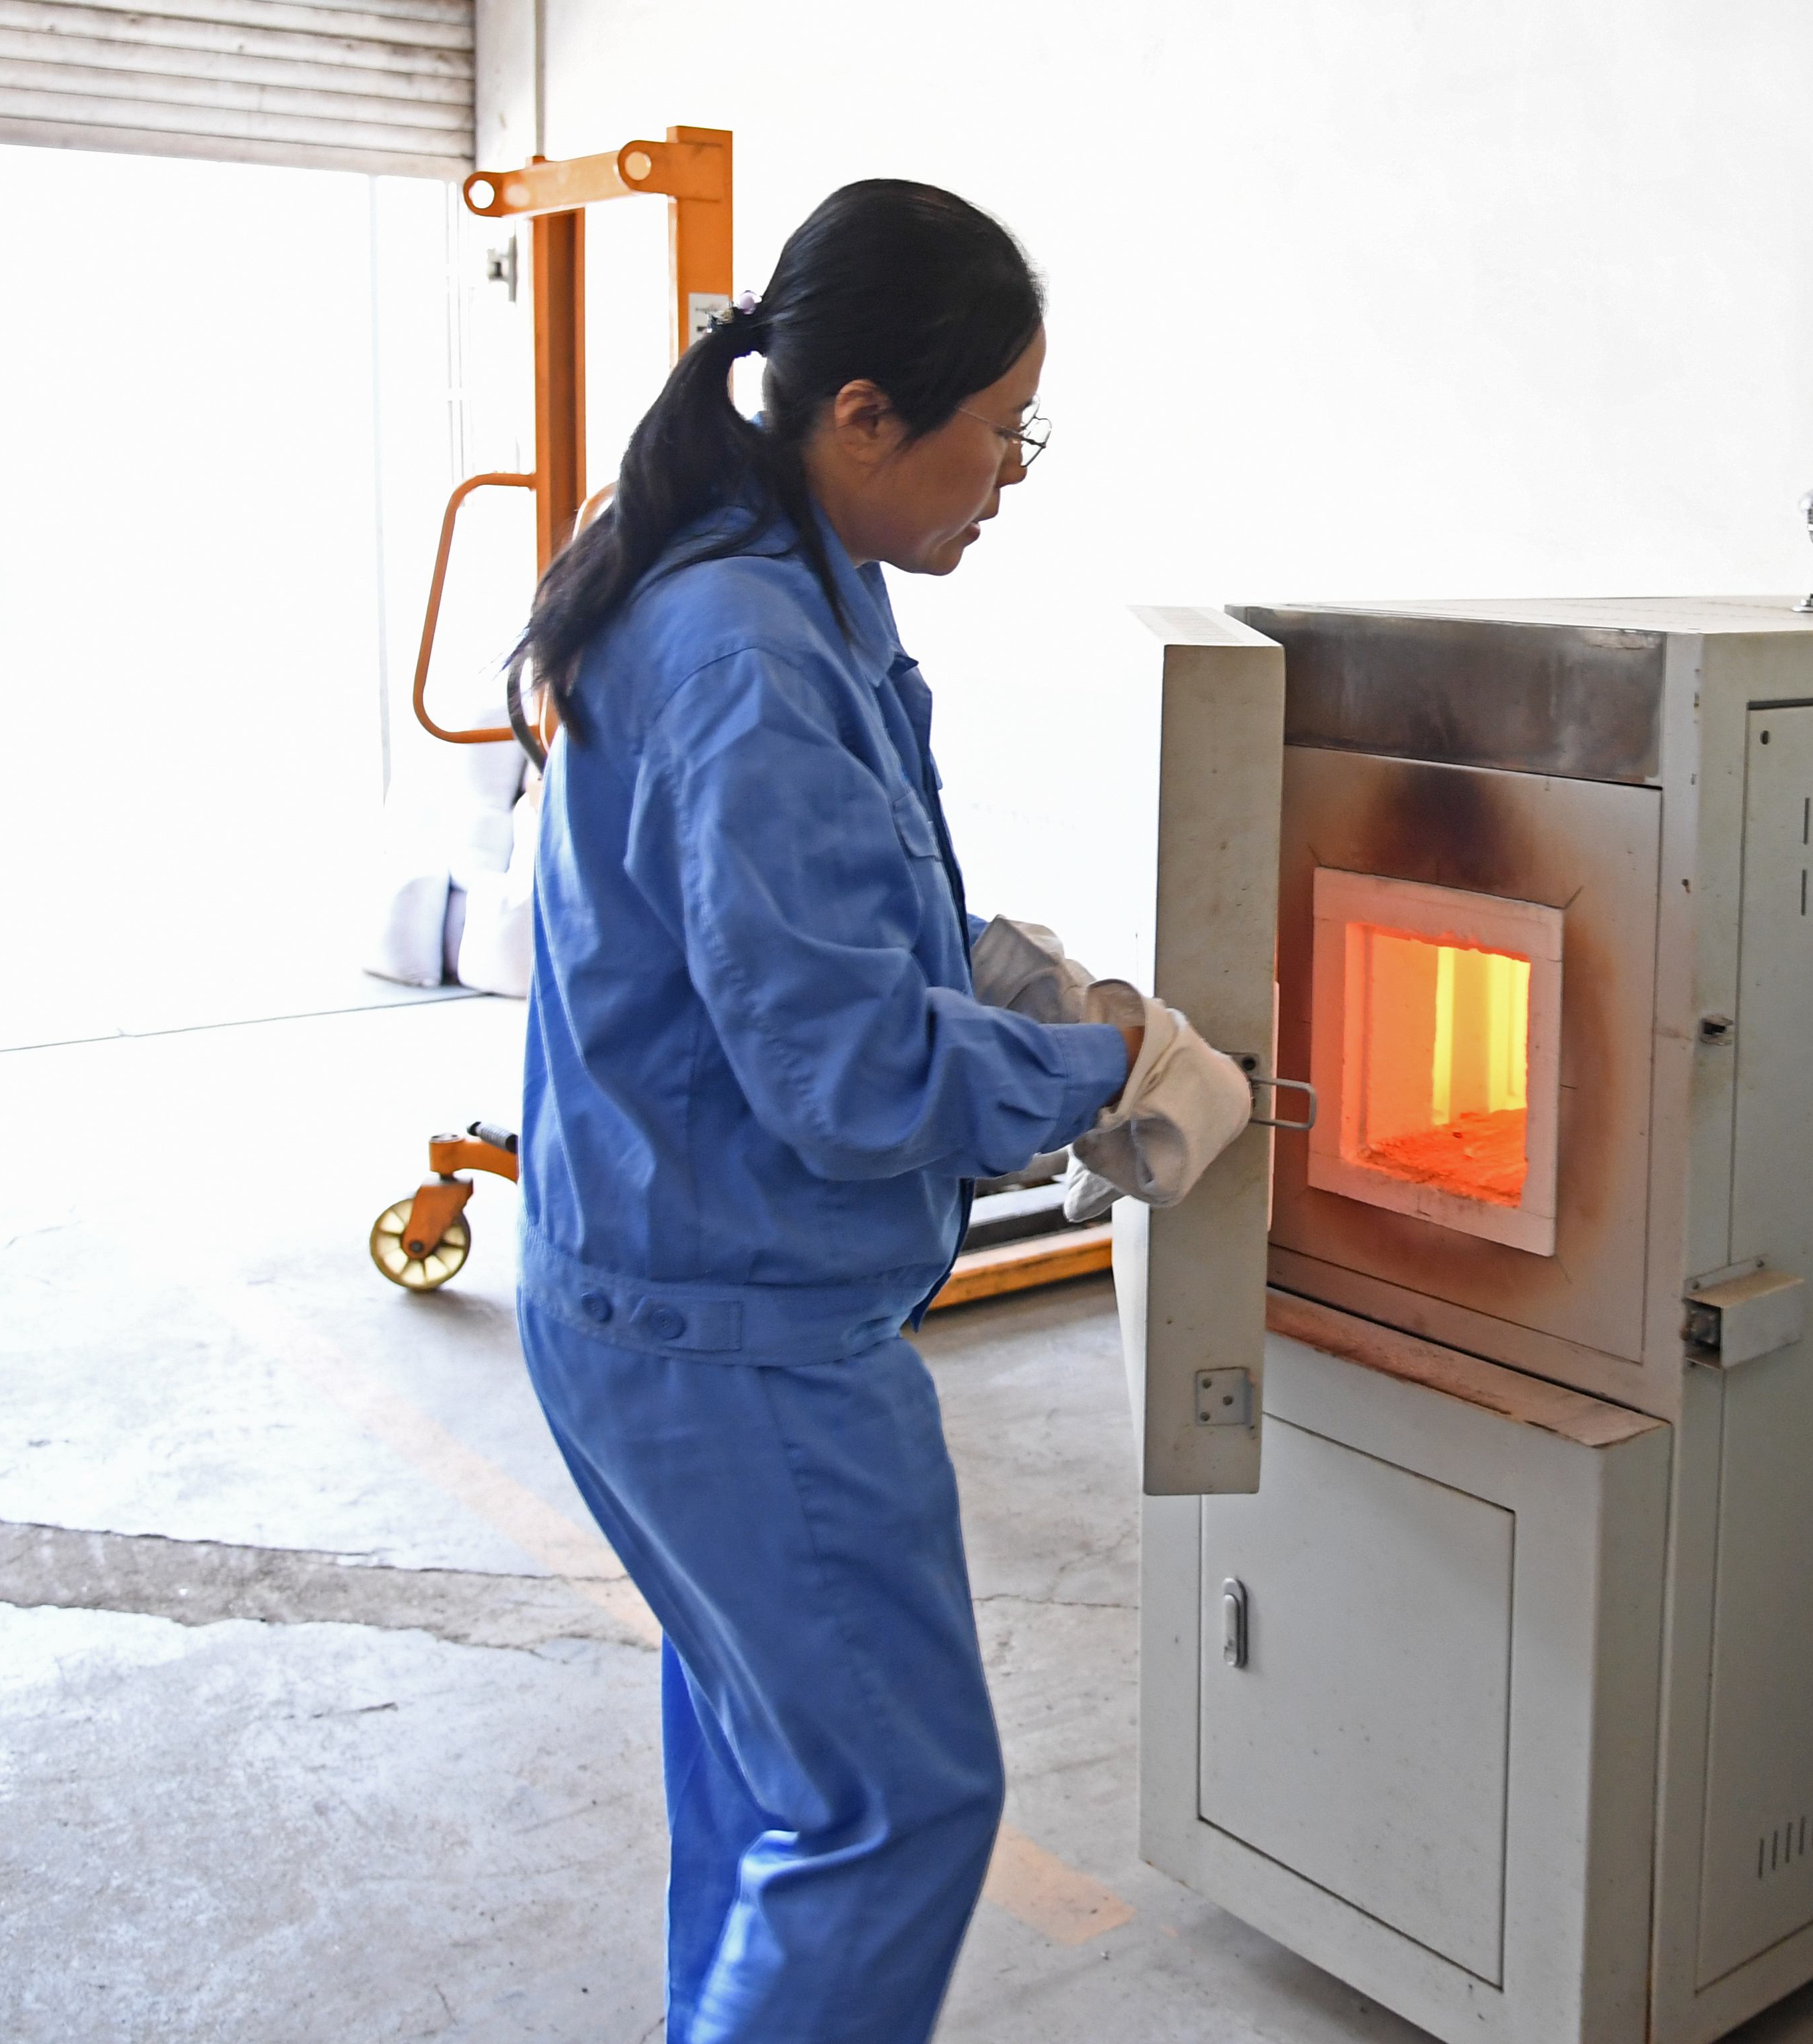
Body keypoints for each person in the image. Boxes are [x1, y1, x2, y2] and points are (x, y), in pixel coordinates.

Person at [506, 180, 1220, 2043]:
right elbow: (842, 1068)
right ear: (864, 415)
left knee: (778, 1778)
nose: (1011, 476)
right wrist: (1107, 1077)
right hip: (736, 1339)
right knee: (897, 1809)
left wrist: (1024, 984)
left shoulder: (785, 582)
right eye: (1001, 430)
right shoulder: (747, 650)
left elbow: (821, 924)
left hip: (657, 1292)